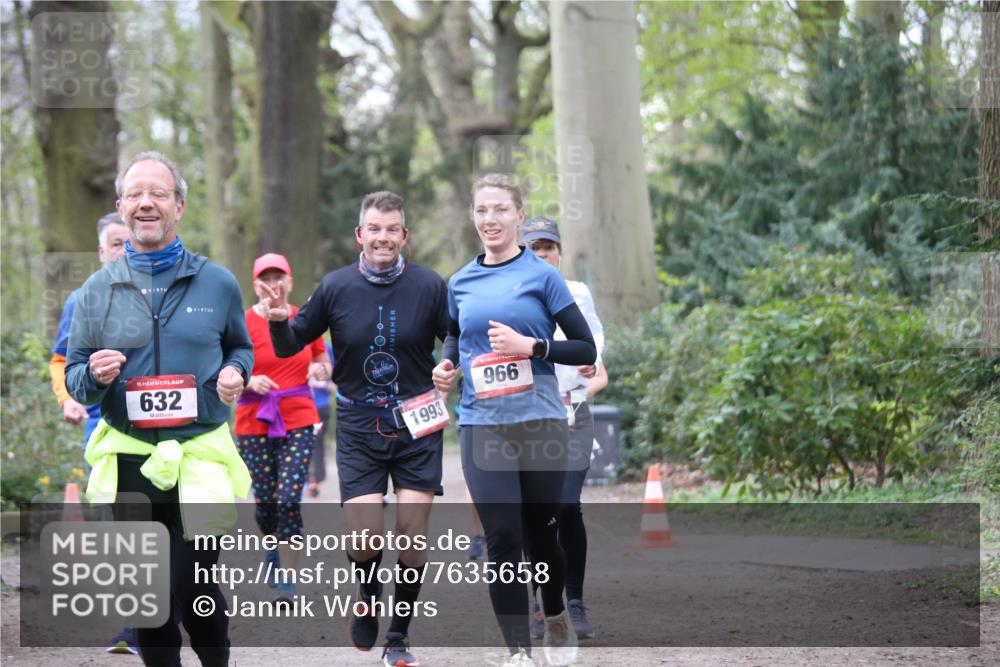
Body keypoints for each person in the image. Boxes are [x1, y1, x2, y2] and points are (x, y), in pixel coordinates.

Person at [65, 151, 254, 667]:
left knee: (196, 590)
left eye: (159, 194)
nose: (146, 203)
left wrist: (234, 372)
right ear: (121, 206)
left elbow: (240, 347)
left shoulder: (218, 283)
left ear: (179, 206)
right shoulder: (95, 291)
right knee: (148, 601)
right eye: (135, 194)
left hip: (198, 456)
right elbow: (76, 381)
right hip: (130, 460)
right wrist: (94, 375)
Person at [260, 191, 449, 667]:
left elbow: (456, 336)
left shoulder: (429, 285)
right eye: (374, 229)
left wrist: (448, 366)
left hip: (418, 419)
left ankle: (398, 636)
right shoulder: (335, 287)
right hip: (360, 423)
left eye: (392, 229)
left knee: (412, 537)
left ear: (404, 235)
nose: (383, 237)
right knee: (364, 538)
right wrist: (280, 322)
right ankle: (367, 593)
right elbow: (290, 345)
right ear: (359, 235)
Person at [432, 174, 596, 667]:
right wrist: (447, 366)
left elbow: (584, 347)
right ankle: (518, 651)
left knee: (542, 536)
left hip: (540, 422)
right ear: (473, 217)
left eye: (501, 209)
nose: (491, 219)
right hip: (482, 424)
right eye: (482, 210)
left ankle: (555, 610)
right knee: (503, 537)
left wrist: (532, 346)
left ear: (519, 217)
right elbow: (455, 336)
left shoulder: (543, 276)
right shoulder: (460, 281)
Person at [48, 212, 137, 655]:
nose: (124, 250)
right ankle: (134, 624)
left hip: (159, 430)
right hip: (102, 428)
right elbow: (60, 360)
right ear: (101, 251)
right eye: (116, 244)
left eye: (130, 243)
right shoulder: (82, 299)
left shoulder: (162, 295)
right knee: (115, 520)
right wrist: (67, 398)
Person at [521, 216, 608, 641]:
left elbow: (595, 355)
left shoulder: (577, 293)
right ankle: (540, 603)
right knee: (535, 513)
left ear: (559, 253)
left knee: (567, 506)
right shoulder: (510, 296)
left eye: (548, 248)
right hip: (526, 415)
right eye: (533, 248)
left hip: (573, 413)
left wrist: (587, 370)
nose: (541, 255)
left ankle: (574, 600)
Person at [235, 253, 330, 602]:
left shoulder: (302, 319)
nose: (273, 285)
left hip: (299, 418)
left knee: (289, 497)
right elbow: (225, 367)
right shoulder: (241, 322)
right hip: (253, 419)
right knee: (265, 502)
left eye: (279, 278)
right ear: (255, 285)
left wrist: (320, 369)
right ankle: (272, 546)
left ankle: (288, 578)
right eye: (266, 278)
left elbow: (322, 359)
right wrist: (248, 380)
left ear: (290, 282)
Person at [307, 340, 335, 498]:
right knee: (305, 441)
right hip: (300, 405)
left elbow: (334, 373)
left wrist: (325, 384)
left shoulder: (326, 347)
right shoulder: (296, 343)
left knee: (317, 442)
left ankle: (315, 480)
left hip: (320, 405)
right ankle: (310, 478)